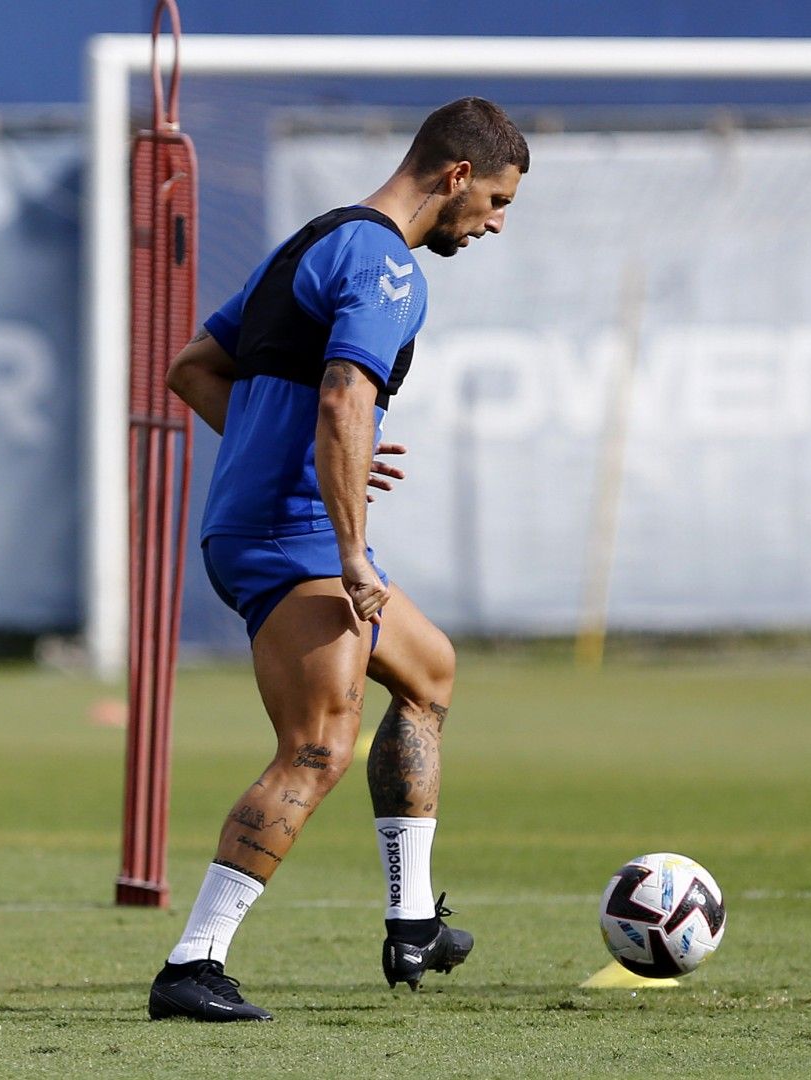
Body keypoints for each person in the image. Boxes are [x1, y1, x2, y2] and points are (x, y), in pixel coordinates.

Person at [148, 97, 528, 1022]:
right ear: (456, 177)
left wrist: (302, 455)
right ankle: (192, 965)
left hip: (274, 521)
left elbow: (192, 368)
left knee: (428, 673)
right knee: (316, 748)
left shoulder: (313, 244)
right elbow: (344, 399)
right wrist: (353, 545)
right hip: (297, 540)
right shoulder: (388, 264)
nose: (497, 223)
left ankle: (412, 922)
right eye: (499, 201)